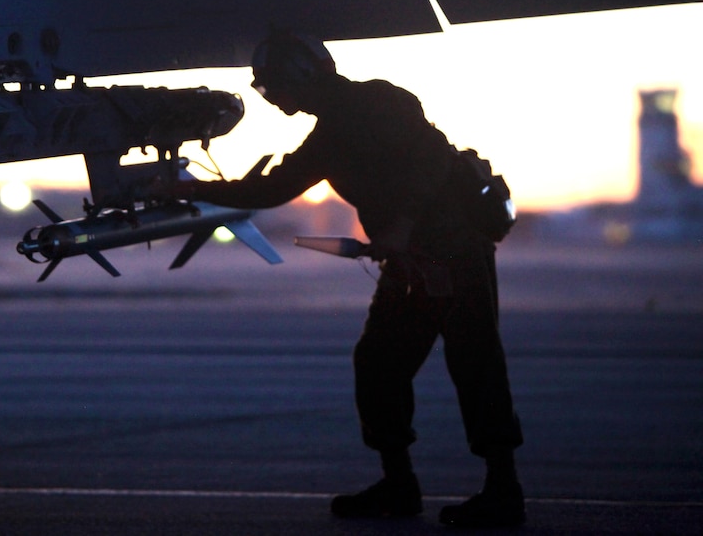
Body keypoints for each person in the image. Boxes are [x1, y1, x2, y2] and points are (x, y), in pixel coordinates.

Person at [183, 31, 525, 527]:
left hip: (453, 254)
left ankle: (503, 490)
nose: (273, 98)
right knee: (378, 363)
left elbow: (430, 164)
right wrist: (186, 191)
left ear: (301, 74)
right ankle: (399, 485)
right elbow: (272, 189)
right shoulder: (327, 138)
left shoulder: (382, 102)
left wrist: (404, 224)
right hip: (409, 265)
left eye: (273, 85)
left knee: (475, 365)